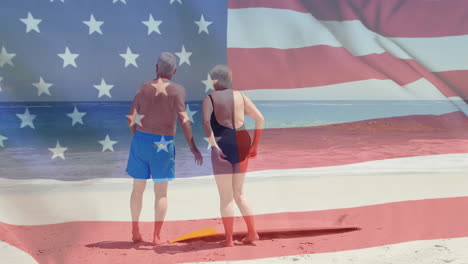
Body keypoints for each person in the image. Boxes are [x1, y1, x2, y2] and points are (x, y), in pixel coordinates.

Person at [126, 52, 203, 245]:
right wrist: (193, 146)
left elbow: (130, 117)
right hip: (163, 143)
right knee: (161, 193)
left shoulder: (143, 88)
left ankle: (135, 231)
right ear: (174, 71)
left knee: (137, 189)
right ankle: (156, 236)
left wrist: (138, 136)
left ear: (156, 67)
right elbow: (184, 120)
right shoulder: (178, 90)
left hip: (141, 141)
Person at [202, 64, 264, 247]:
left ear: (214, 80)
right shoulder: (242, 96)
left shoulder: (210, 99)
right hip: (243, 141)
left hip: (223, 143)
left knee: (226, 196)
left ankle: (229, 239)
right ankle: (252, 233)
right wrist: (255, 146)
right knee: (240, 193)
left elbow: (206, 123)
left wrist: (214, 147)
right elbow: (260, 118)